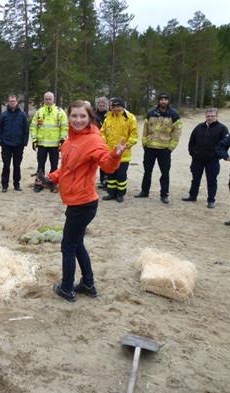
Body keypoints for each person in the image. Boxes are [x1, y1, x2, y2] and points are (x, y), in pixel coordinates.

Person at [45, 100, 126, 302]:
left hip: (84, 203)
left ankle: (66, 288)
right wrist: (51, 177)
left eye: (83, 116)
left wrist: (115, 155)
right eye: (74, 116)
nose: (78, 120)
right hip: (75, 202)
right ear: (68, 117)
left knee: (68, 247)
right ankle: (88, 284)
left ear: (90, 118)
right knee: (77, 243)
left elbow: (107, 165)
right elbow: (68, 168)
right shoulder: (70, 140)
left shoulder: (93, 140)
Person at [135, 93, 183, 204]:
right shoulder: (151, 113)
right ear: (158, 101)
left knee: (165, 173)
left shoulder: (174, 115)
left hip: (164, 149)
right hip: (150, 148)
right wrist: (145, 143)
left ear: (168, 101)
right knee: (147, 171)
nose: (163, 101)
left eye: (165, 99)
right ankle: (144, 191)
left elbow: (177, 132)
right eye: (161, 99)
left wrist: (171, 147)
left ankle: (164, 195)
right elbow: (145, 129)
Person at [183, 108, 229, 208]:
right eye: (208, 116)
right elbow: (192, 141)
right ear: (205, 116)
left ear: (216, 116)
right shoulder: (199, 127)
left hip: (212, 160)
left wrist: (217, 155)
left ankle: (211, 200)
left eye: (212, 116)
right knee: (195, 179)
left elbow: (225, 144)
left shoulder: (222, 128)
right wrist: (193, 153)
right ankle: (192, 196)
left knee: (212, 180)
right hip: (198, 159)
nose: (210, 118)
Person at [100, 97, 138, 202]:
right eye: (114, 106)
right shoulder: (108, 118)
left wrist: (126, 145)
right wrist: (104, 143)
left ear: (123, 106)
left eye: (118, 106)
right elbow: (102, 132)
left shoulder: (130, 118)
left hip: (123, 154)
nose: (116, 108)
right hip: (110, 153)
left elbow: (134, 135)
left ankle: (120, 194)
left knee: (121, 175)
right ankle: (111, 193)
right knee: (111, 175)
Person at [30, 91, 68, 192]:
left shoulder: (60, 112)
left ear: (53, 99)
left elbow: (64, 127)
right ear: (44, 100)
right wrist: (34, 139)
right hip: (42, 144)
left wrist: (62, 139)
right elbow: (33, 126)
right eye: (46, 99)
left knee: (54, 165)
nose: (48, 101)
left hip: (55, 144)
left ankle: (53, 183)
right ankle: (39, 183)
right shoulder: (39, 112)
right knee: (40, 164)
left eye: (49, 99)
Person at [0, 94, 29, 192]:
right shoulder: (4, 115)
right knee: (6, 165)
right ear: (8, 102)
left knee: (17, 165)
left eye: (14, 101)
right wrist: (0, 142)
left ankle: (16, 184)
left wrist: (24, 142)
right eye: (10, 101)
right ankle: (4, 185)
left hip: (18, 145)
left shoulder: (22, 115)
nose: (12, 103)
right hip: (6, 145)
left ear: (17, 102)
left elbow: (26, 130)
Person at [94, 97, 109, 189]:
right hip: (97, 140)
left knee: (107, 161)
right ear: (97, 105)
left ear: (107, 106)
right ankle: (102, 179)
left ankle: (107, 180)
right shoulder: (94, 115)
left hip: (108, 141)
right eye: (100, 105)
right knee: (100, 161)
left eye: (104, 105)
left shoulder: (110, 115)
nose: (102, 106)